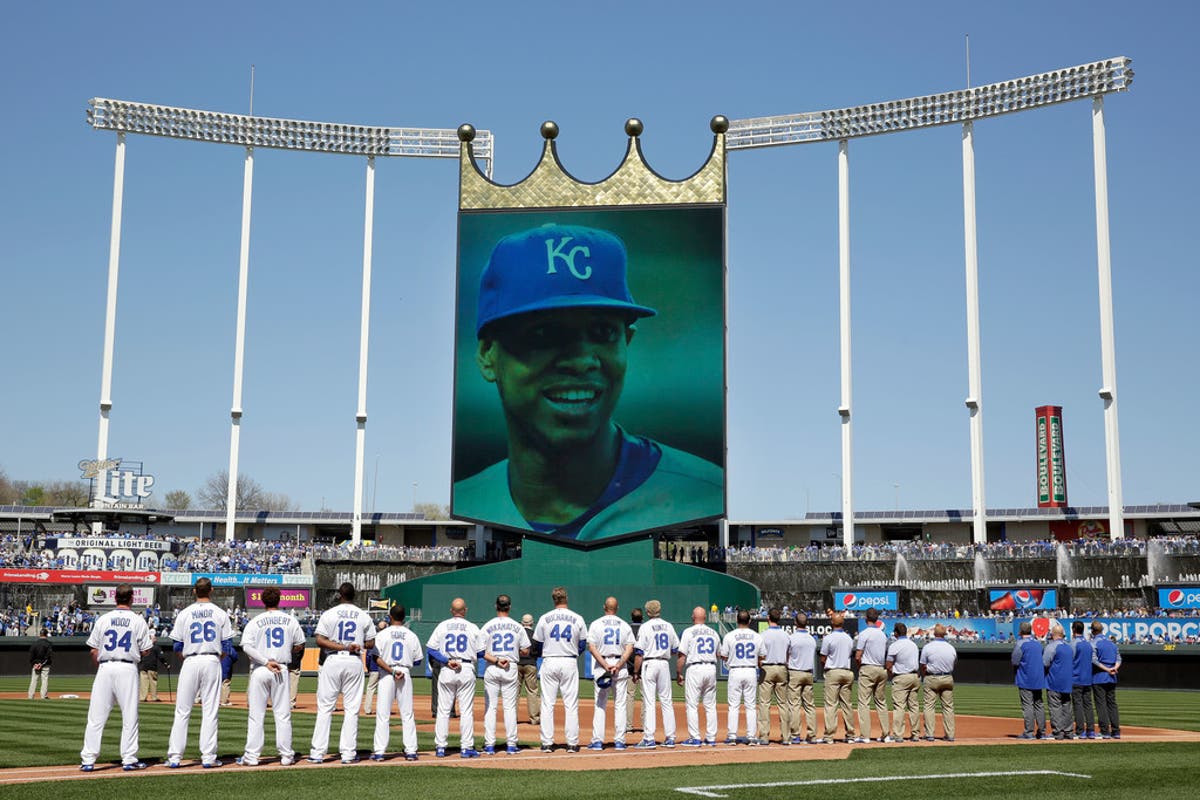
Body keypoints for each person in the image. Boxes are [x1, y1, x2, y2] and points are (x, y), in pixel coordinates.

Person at [453, 223, 723, 541]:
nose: (583, 361)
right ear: (488, 354)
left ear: (627, 341)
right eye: (545, 333)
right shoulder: (468, 501)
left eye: (602, 333)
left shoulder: (708, 493)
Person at [79, 584, 153, 771]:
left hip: (105, 667)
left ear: (115, 598)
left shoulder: (103, 619)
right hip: (127, 668)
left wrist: (103, 665)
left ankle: (88, 759)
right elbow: (146, 650)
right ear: (131, 598)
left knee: (96, 717)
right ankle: (129, 759)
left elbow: (93, 650)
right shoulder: (138, 620)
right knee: (129, 716)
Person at [167, 577, 234, 768]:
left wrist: (189, 657)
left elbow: (177, 645)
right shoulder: (220, 613)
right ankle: (208, 757)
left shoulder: (185, 613)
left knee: (182, 711)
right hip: (212, 660)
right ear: (211, 590)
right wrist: (214, 658)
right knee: (210, 710)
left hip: (190, 660)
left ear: (195, 591)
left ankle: (174, 757)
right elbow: (227, 646)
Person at [308, 582, 377, 764]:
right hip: (354, 661)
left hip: (333, 660)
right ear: (354, 595)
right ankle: (348, 754)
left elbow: (320, 640)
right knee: (352, 709)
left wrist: (342, 645)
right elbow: (371, 643)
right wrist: (357, 644)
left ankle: (317, 753)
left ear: (340, 595)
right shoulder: (363, 615)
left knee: (325, 708)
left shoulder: (329, 614)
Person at [237, 587, 306, 767]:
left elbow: (246, 646)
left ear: (262, 601)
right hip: (280, 668)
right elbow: (299, 644)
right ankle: (286, 756)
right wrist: (283, 651)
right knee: (282, 714)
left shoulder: (255, 621)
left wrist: (265, 660)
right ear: (279, 600)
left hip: (261, 668)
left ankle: (251, 757)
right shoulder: (290, 620)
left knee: (256, 715)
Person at [427, 597, 483, 758]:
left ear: (452, 611)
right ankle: (466, 747)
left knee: (443, 710)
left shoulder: (443, 625)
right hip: (465, 667)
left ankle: (440, 747)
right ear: (465, 610)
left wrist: (446, 660)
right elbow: (480, 652)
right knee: (466, 710)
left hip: (447, 668)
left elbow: (431, 649)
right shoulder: (472, 627)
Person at [533, 586, 587, 752]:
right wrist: (572, 653)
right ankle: (572, 743)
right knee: (570, 704)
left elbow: (537, 645)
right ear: (566, 598)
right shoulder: (577, 618)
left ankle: (547, 743)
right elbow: (583, 644)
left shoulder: (544, 618)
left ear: (553, 599)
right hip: (569, 661)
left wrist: (549, 653)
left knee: (547, 703)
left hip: (549, 660)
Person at [370, 604, 424, 762]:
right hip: (404, 672)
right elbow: (419, 660)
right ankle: (411, 751)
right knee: (407, 714)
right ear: (404, 616)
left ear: (390, 617)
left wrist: (392, 670)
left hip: (388, 673)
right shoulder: (411, 635)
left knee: (383, 714)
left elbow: (375, 658)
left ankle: (380, 751)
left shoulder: (382, 634)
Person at [480, 594, 531, 755]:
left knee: (491, 707)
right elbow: (525, 650)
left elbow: (480, 651)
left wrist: (496, 660)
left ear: (496, 606)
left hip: (492, 666)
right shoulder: (518, 626)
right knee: (509, 707)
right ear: (509, 607)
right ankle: (511, 744)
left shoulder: (488, 625)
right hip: (510, 667)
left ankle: (489, 745)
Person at [586, 596, 634, 750]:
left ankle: (597, 741)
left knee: (600, 704)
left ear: (604, 607)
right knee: (620, 704)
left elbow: (592, 647)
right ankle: (620, 741)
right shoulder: (625, 625)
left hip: (603, 665)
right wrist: (618, 665)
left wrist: (605, 664)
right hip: (620, 665)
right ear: (617, 608)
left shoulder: (596, 624)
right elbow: (629, 648)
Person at [633, 599, 678, 748]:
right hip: (664, 663)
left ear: (647, 612)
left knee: (650, 701)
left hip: (650, 663)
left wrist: (635, 671)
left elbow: (639, 653)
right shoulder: (669, 626)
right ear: (659, 610)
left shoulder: (645, 627)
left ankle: (649, 738)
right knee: (666, 701)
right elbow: (674, 648)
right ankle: (670, 738)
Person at [676, 606, 719, 747]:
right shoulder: (713, 632)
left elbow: (682, 655)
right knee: (710, 706)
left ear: (693, 617)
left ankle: (695, 738)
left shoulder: (688, 632)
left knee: (692, 705)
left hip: (695, 668)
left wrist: (678, 673)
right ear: (705, 617)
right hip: (711, 668)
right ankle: (711, 738)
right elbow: (719, 653)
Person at [719, 610, 762, 745]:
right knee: (750, 705)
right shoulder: (757, 636)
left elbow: (723, 655)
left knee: (733, 705)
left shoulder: (729, 636)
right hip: (750, 670)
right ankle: (751, 737)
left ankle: (732, 736)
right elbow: (762, 656)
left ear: (737, 620)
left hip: (735, 671)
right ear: (749, 621)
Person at [819, 612, 857, 743]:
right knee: (847, 705)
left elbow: (823, 658)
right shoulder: (848, 638)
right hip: (847, 672)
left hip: (833, 671)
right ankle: (850, 735)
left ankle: (829, 736)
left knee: (831, 705)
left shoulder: (828, 638)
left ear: (831, 623)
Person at [854, 607, 889, 743]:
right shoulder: (882, 634)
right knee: (881, 702)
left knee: (863, 702)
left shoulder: (864, 633)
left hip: (868, 668)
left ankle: (865, 736)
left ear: (865, 618)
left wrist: (860, 667)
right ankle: (886, 735)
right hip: (881, 669)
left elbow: (858, 656)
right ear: (877, 619)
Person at [756, 607, 791, 745]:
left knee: (764, 703)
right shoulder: (786, 635)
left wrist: (760, 665)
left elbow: (760, 655)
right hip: (782, 667)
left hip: (767, 668)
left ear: (768, 618)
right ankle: (786, 737)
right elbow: (788, 654)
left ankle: (764, 736)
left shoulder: (763, 635)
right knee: (783, 704)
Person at [919, 623, 957, 742]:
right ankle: (950, 735)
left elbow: (923, 665)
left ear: (934, 633)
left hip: (932, 677)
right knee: (948, 707)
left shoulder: (928, 647)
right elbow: (954, 662)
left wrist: (925, 676)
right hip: (947, 677)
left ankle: (929, 734)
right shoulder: (951, 647)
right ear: (944, 634)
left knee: (929, 706)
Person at [785, 612, 818, 744]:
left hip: (795, 672)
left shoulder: (791, 638)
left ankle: (795, 735)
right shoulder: (811, 639)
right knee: (809, 705)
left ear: (795, 623)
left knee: (794, 705)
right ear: (807, 623)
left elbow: (787, 656)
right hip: (808, 673)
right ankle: (812, 735)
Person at [885, 622, 920, 742]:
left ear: (896, 633)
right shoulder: (913, 645)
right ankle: (915, 734)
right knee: (914, 707)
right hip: (914, 676)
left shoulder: (894, 645)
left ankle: (898, 735)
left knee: (899, 707)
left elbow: (888, 665)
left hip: (901, 676)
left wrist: (892, 675)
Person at [1012, 621, 1047, 739]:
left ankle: (1029, 732)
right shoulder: (1038, 643)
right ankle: (1042, 732)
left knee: (1027, 705)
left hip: (1025, 678)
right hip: (1038, 678)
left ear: (1020, 632)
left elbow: (1015, 661)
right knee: (1039, 705)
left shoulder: (1020, 644)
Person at [1043, 622, 1073, 740]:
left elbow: (1045, 663)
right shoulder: (1069, 646)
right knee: (1067, 707)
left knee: (1055, 707)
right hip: (1067, 681)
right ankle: (1069, 732)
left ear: (1053, 634)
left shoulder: (1051, 646)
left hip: (1054, 680)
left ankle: (1058, 732)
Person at [1091, 621, 1122, 739]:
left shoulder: (1094, 643)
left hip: (1099, 676)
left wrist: (1107, 669)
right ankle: (1116, 731)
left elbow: (1094, 660)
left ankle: (1105, 731)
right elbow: (1119, 658)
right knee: (1112, 704)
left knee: (1101, 705)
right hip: (1112, 677)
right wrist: (1114, 668)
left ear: (1093, 631)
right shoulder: (1112, 643)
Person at [1070, 620, 1096, 739]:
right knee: (1088, 705)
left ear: (1074, 630)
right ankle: (1091, 730)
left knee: (1078, 705)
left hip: (1076, 677)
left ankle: (1080, 731)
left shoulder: (1074, 643)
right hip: (1087, 678)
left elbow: (1070, 660)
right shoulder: (1089, 644)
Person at [517, 613, 541, 726]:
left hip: (516, 664)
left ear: (522, 623)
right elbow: (539, 651)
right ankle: (534, 719)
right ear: (532, 623)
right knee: (532, 691)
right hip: (531, 664)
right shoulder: (535, 635)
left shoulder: (517, 633)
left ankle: (512, 718)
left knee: (514, 692)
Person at [361, 620, 386, 715]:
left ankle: (367, 709)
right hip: (384, 668)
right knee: (384, 689)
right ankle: (383, 710)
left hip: (374, 668)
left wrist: (368, 667)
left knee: (371, 688)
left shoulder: (374, 639)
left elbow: (368, 655)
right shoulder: (387, 638)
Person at [626, 607, 644, 733]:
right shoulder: (646, 628)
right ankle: (645, 726)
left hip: (629, 667)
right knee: (645, 697)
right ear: (642, 617)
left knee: (629, 696)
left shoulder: (627, 629)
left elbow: (625, 649)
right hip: (644, 666)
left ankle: (628, 726)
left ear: (631, 617)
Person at [28, 629, 52, 700]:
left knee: (34, 680)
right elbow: (48, 656)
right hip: (45, 665)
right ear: (46, 634)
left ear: (40, 634)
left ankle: (30, 696)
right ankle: (43, 696)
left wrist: (34, 664)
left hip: (36, 665)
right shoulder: (48, 644)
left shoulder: (35, 644)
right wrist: (41, 664)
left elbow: (31, 656)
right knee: (44, 680)